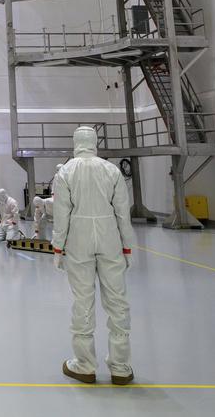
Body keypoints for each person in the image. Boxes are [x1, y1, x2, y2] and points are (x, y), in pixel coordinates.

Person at [51, 125, 134, 386]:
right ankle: (120, 367)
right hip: (109, 237)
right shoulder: (111, 170)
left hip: (78, 239)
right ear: (95, 142)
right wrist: (127, 246)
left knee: (83, 300)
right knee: (117, 301)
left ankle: (85, 365)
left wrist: (58, 247)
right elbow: (123, 212)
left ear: (75, 142)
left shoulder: (66, 171)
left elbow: (61, 216)